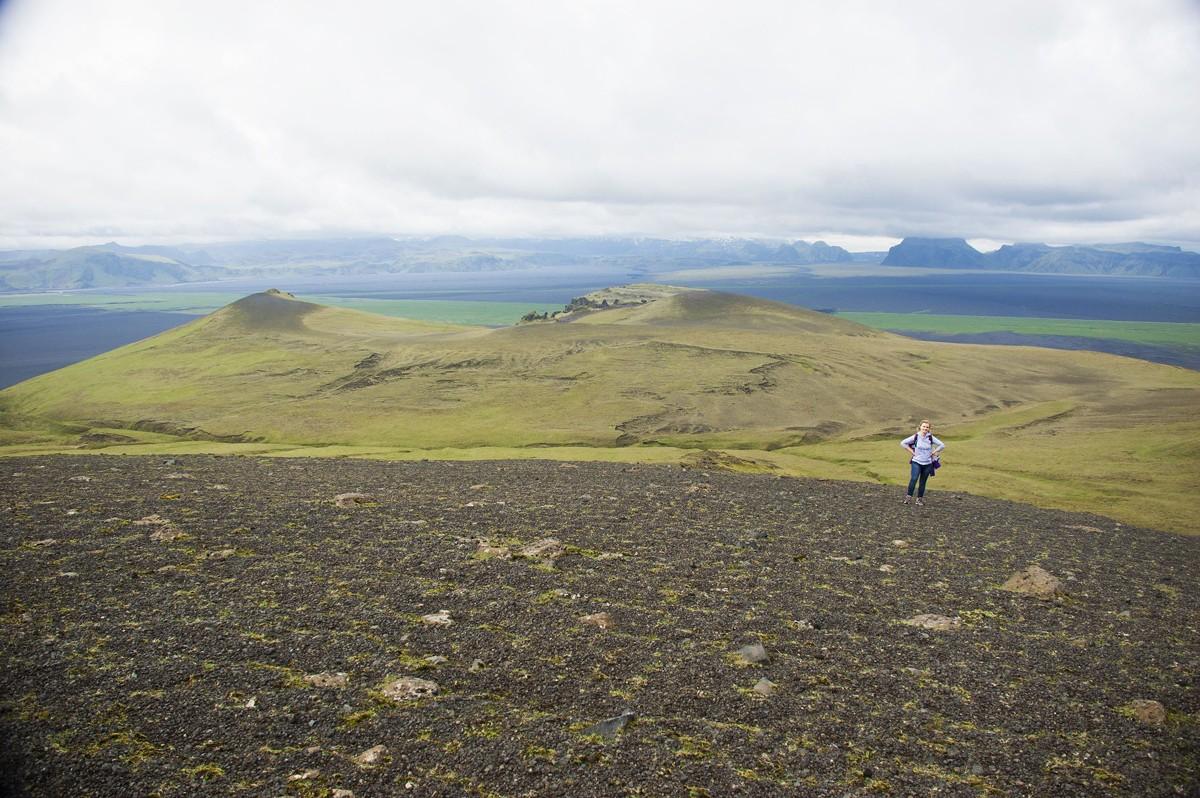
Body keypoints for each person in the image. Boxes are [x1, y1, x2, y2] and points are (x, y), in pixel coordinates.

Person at [901, 419, 944, 506]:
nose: (925, 428)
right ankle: (908, 498)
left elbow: (942, 445)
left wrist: (934, 452)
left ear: (929, 429)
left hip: (927, 463)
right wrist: (912, 452)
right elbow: (903, 443)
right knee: (914, 479)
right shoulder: (916, 436)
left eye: (927, 427)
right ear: (920, 427)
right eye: (924, 426)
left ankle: (919, 500)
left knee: (923, 482)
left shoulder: (930, 437)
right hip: (916, 462)